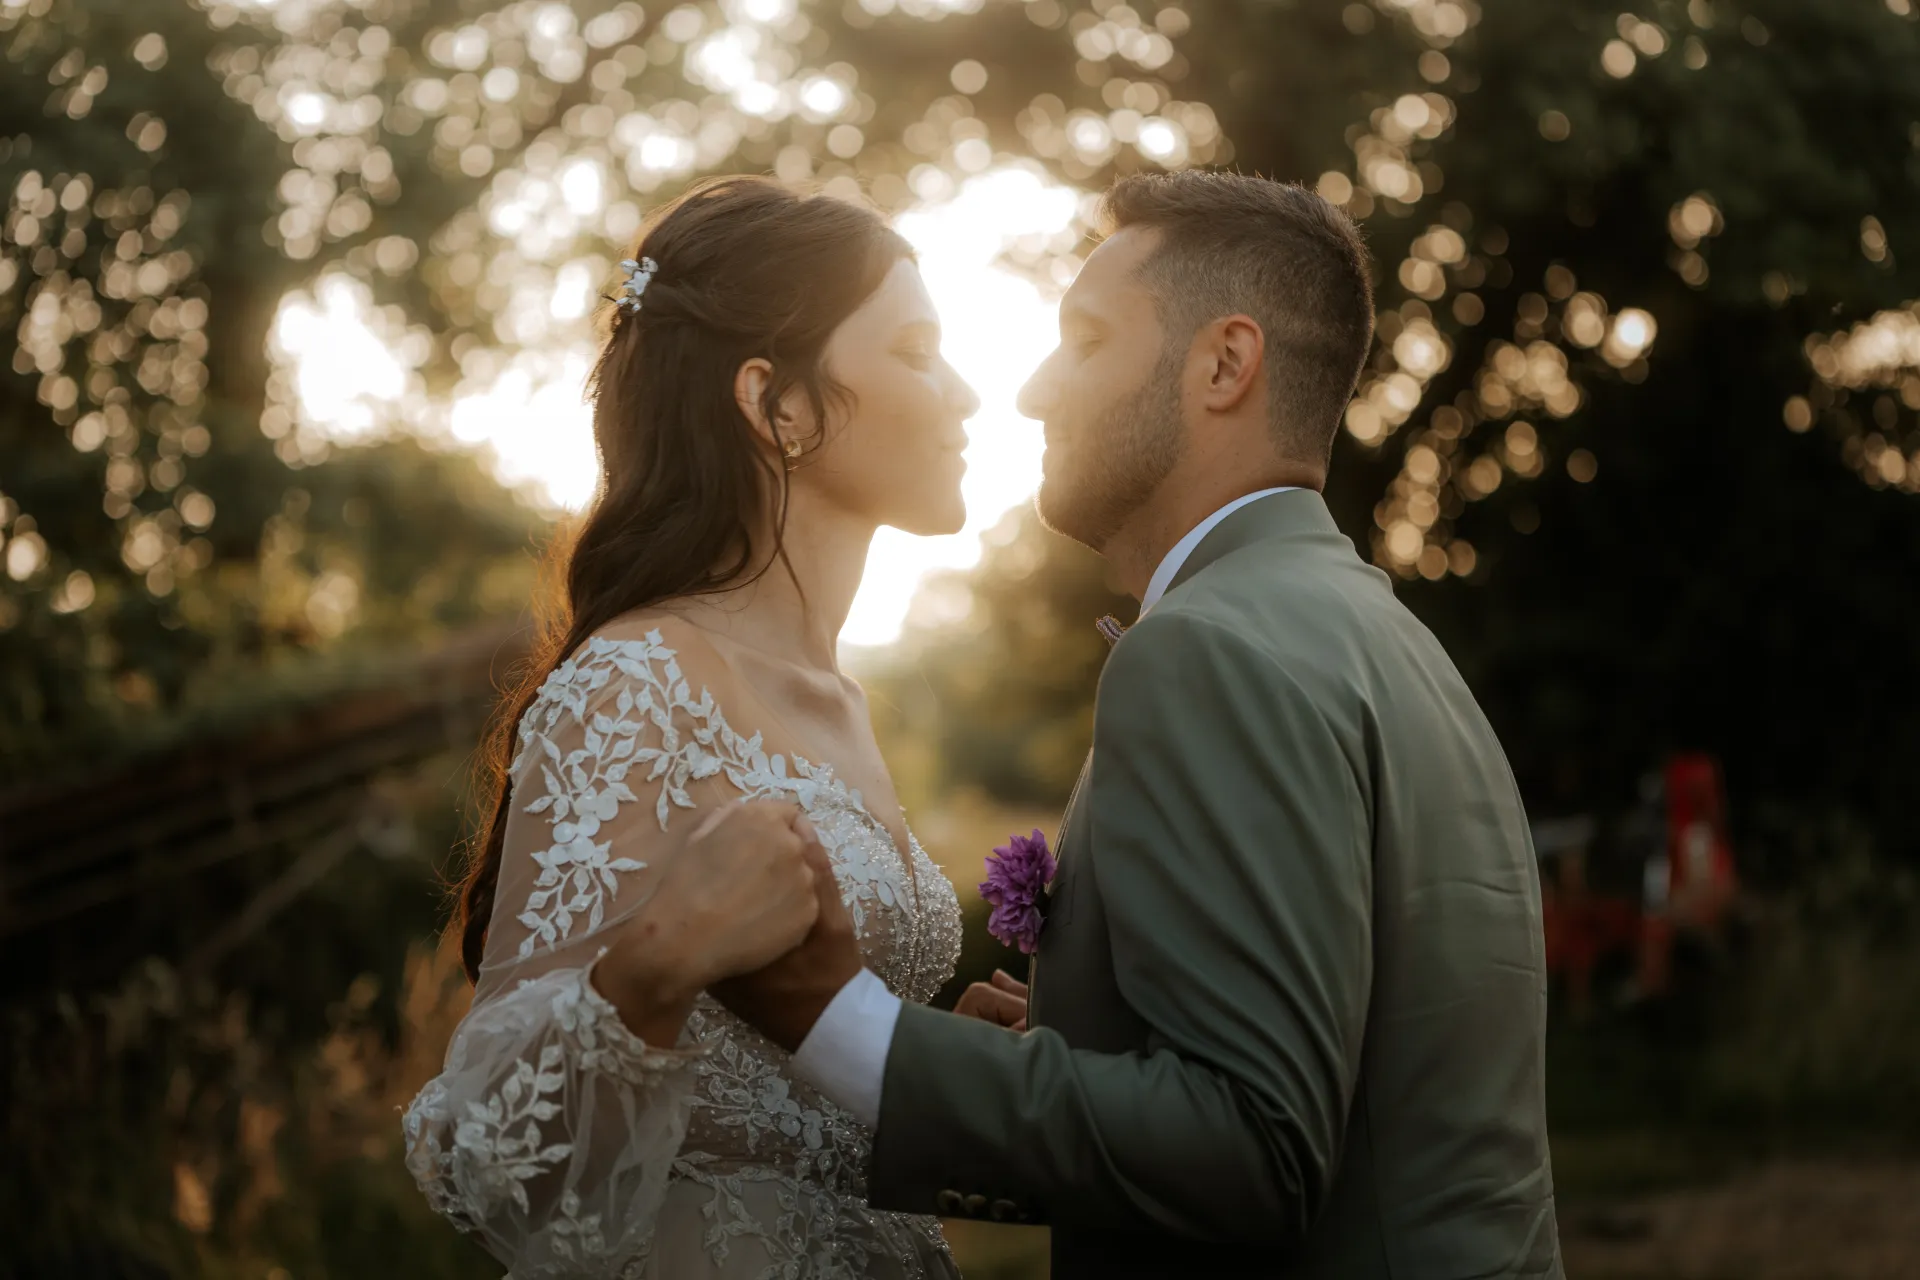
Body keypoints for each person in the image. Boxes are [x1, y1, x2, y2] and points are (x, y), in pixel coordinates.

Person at [716, 171, 1565, 1279]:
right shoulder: (1382, 632)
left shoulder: (1209, 646)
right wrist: (1087, 1030)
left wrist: (839, 1021)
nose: (1030, 390)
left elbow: (1253, 1146)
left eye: (1084, 338)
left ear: (1224, 363)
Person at [402, 176, 983, 1279]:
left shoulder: (846, 699)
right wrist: (660, 962)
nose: (965, 394)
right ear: (779, 404)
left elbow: (797, 1121)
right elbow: (490, 1170)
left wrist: (961, 1073)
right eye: (917, 351)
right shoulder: (635, 685)